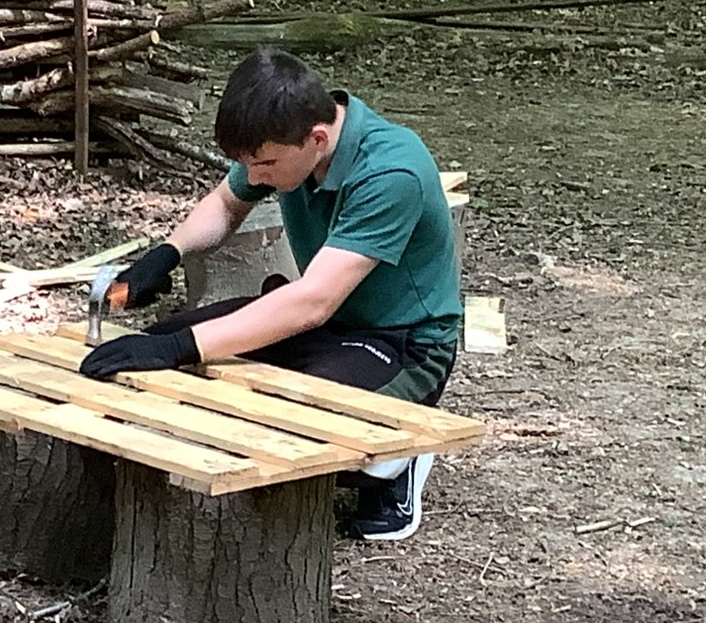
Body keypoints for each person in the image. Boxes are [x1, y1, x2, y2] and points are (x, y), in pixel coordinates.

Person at [79, 49, 462, 541]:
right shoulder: (283, 140)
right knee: (153, 349)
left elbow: (313, 301)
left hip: (403, 343)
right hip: (328, 323)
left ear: (317, 139)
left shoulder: (391, 172)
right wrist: (168, 254)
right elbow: (225, 202)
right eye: (247, 164)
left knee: (286, 424)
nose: (255, 177)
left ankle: (394, 460)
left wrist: (180, 349)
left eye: (264, 165)